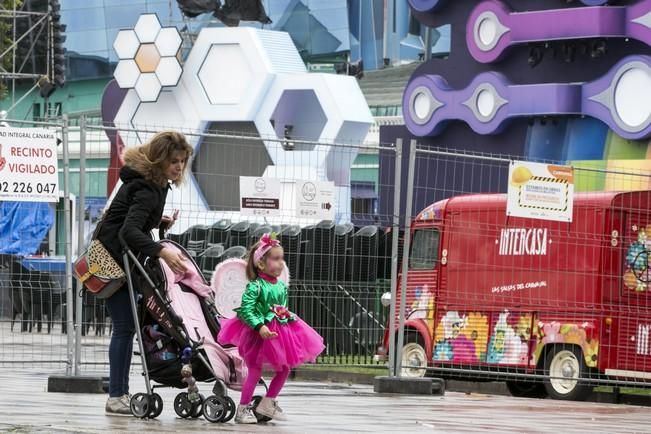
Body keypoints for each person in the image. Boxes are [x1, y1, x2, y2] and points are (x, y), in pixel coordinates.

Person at [96, 131, 193, 415]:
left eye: (182, 162)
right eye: (173, 161)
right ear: (160, 160)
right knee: (125, 327)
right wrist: (161, 250)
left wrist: (157, 221)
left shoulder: (157, 185)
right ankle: (116, 395)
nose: (178, 167)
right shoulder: (147, 188)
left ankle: (120, 393)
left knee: (127, 327)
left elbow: (131, 219)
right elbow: (128, 231)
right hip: (112, 260)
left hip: (124, 259)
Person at [218, 233, 325, 423]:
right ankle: (242, 409)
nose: (281, 262)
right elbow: (245, 310)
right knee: (255, 369)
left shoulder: (282, 286)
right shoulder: (255, 287)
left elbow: (280, 308)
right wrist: (260, 327)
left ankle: (268, 403)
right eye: (276, 259)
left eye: (281, 258)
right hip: (257, 335)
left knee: (284, 369)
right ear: (261, 264)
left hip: (279, 333)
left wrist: (286, 320)